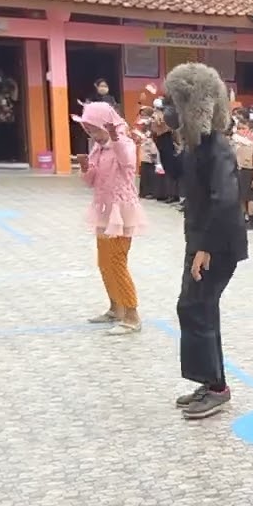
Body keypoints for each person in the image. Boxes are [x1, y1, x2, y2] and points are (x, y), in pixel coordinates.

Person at [153, 62, 249, 421]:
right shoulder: (197, 145)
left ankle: (216, 388)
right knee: (200, 307)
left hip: (216, 244)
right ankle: (212, 381)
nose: (168, 108)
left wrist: (205, 248)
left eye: (174, 102)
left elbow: (225, 199)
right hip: (200, 239)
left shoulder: (217, 147)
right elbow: (178, 173)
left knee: (195, 307)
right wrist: (163, 139)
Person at [75, 101, 146, 336]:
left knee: (117, 262)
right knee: (104, 262)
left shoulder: (124, 143)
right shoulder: (98, 149)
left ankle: (132, 315)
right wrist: (85, 167)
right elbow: (91, 181)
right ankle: (116, 308)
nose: (92, 134)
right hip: (104, 210)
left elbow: (128, 163)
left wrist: (115, 137)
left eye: (94, 129)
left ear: (107, 125)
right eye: (88, 130)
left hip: (121, 211)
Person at [232, 120, 253, 230]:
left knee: (250, 198)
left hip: (249, 172)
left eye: (244, 128)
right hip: (237, 172)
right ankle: (242, 218)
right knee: (240, 197)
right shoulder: (234, 144)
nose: (241, 131)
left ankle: (251, 219)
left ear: (249, 130)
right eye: (239, 128)